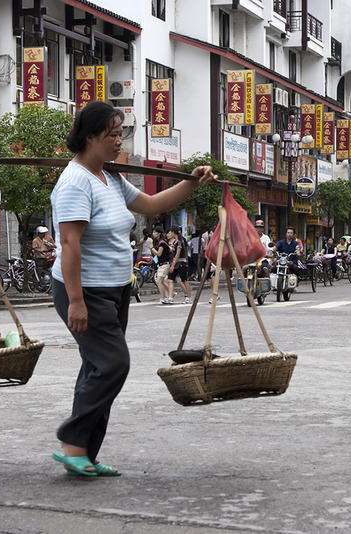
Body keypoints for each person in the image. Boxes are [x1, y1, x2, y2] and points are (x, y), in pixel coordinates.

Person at [50, 102, 216, 476]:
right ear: (89, 136)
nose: (117, 141)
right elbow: (70, 244)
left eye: (120, 133)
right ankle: (71, 439)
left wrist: (190, 180)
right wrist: (76, 302)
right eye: (111, 134)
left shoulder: (109, 177)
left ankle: (84, 452)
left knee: (95, 368)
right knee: (113, 365)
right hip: (85, 291)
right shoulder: (75, 182)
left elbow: (154, 203)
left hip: (115, 290)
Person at [168, 226, 192, 304]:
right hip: (176, 263)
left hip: (181, 263)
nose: (169, 234)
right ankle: (170, 297)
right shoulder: (175, 242)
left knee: (184, 280)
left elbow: (177, 254)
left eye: (170, 232)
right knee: (170, 279)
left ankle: (188, 297)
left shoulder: (179, 242)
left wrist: (172, 265)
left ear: (174, 233)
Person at [151, 225, 174, 304]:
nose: (153, 234)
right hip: (161, 264)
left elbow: (159, 254)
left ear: (158, 233)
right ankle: (171, 294)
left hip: (164, 264)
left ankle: (163, 298)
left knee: (158, 281)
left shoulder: (162, 242)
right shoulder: (160, 242)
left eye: (154, 232)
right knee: (162, 281)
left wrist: (151, 248)